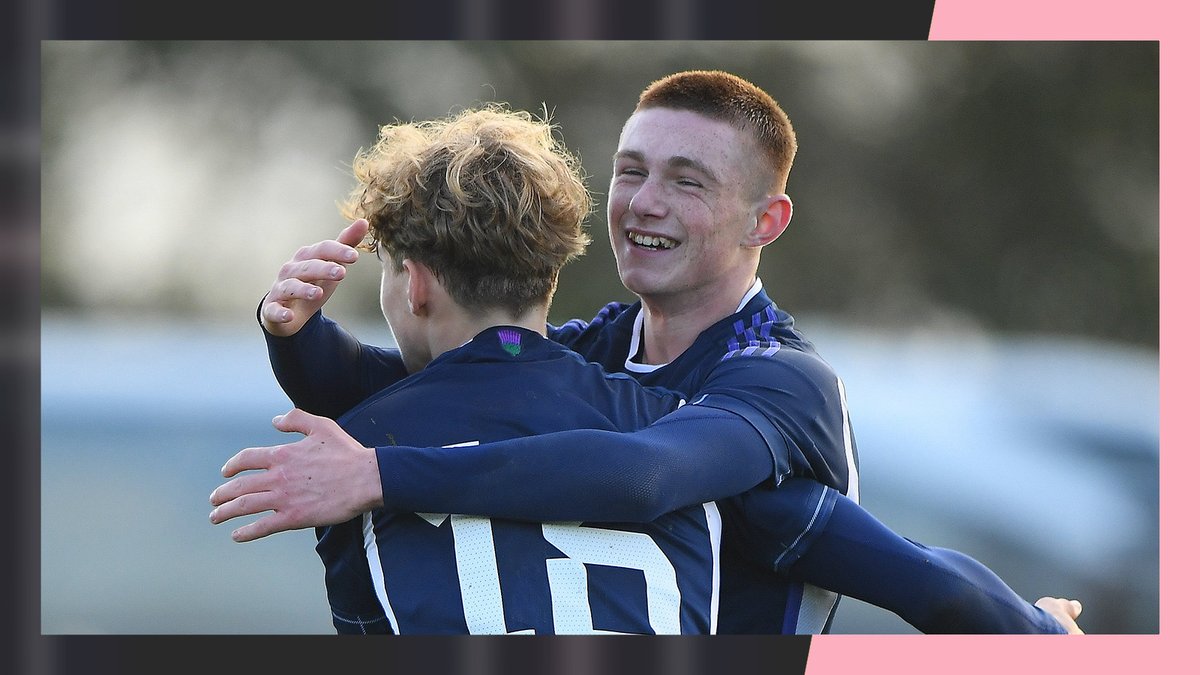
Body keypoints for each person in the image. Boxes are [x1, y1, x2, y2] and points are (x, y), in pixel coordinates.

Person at [211, 71, 1083, 634]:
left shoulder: (776, 379)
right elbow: (423, 391)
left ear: (764, 221)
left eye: (687, 180)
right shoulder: (593, 353)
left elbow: (645, 476)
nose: (644, 203)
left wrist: (1040, 639)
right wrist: (293, 330)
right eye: (631, 170)